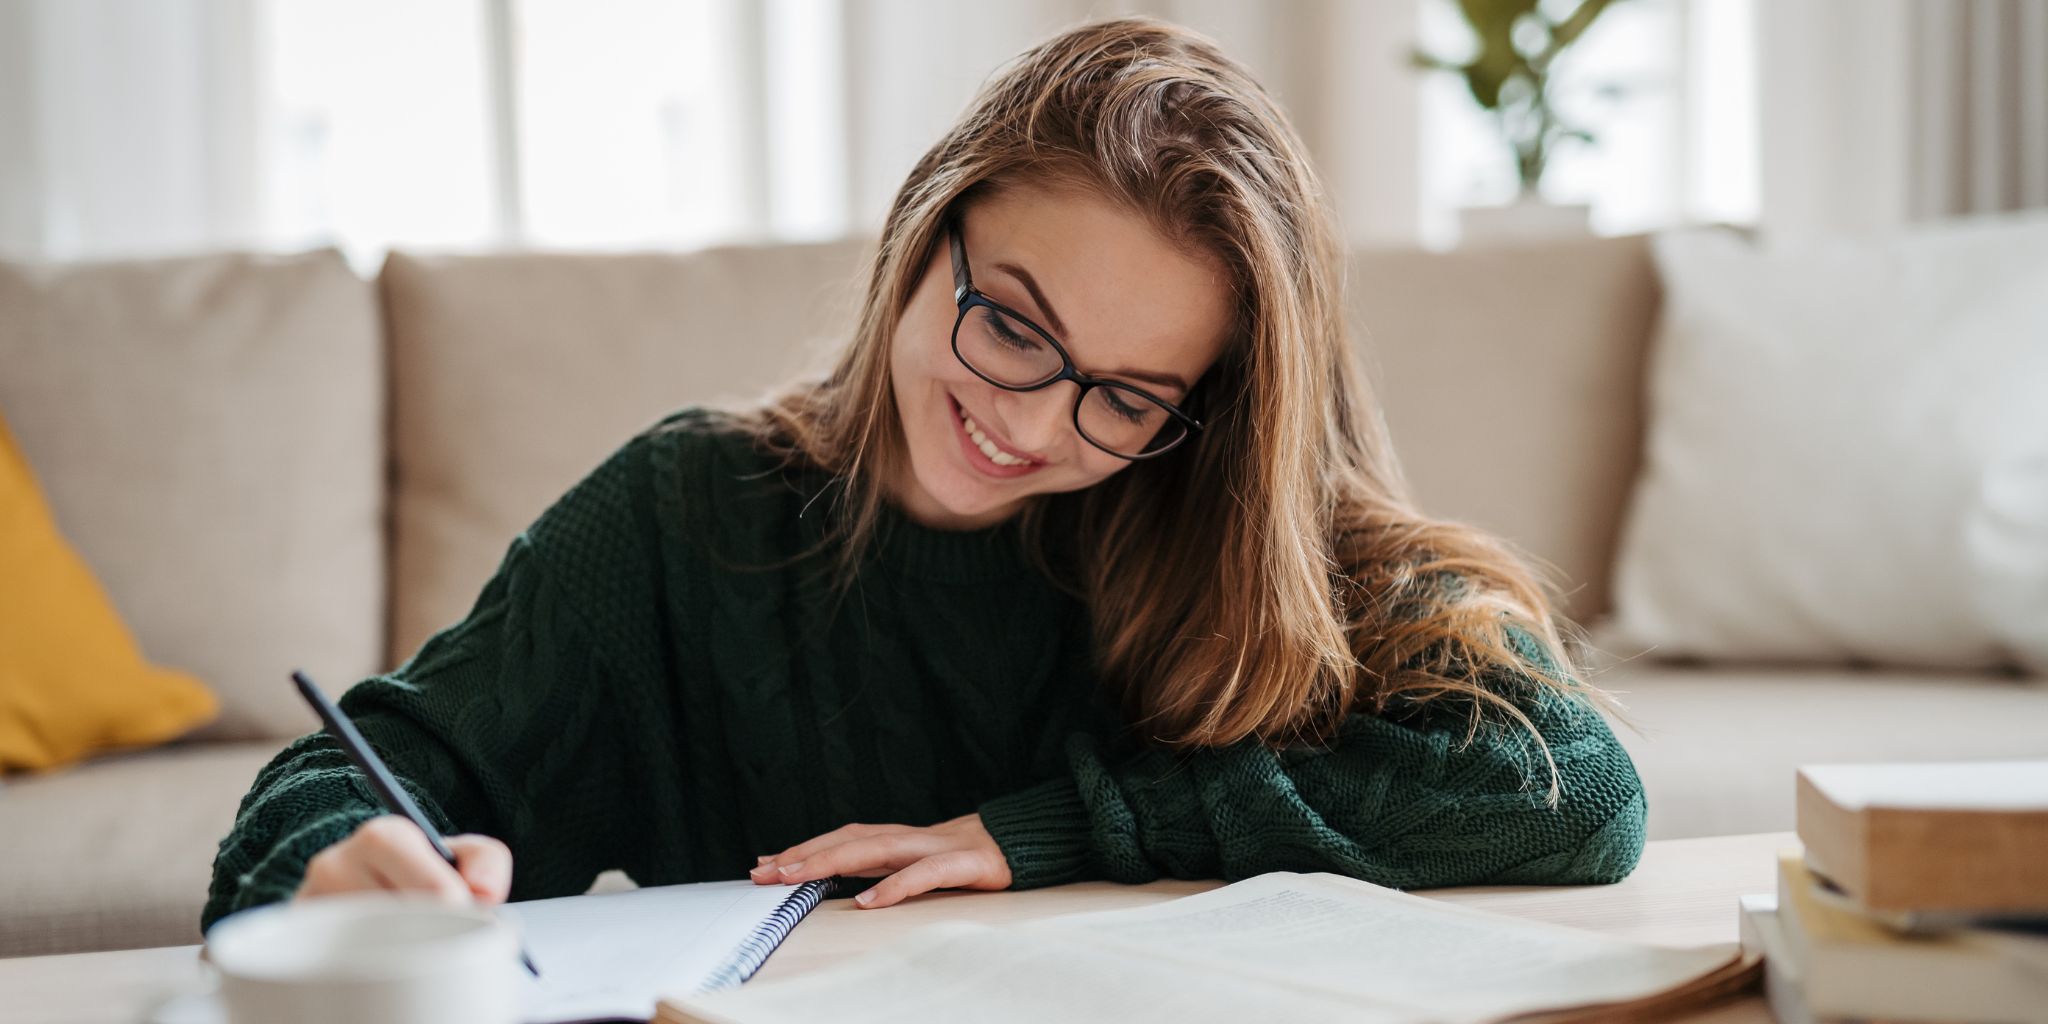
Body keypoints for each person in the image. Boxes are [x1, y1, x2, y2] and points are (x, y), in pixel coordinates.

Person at [202, 16, 1646, 931]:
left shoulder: (1227, 512)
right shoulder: (685, 516)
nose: (1029, 420)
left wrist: (1065, 830)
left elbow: (1575, 788)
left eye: (1127, 395)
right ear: (926, 229)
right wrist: (343, 869)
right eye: (1011, 321)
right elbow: (344, 780)